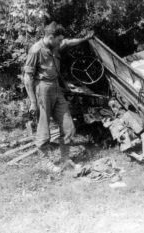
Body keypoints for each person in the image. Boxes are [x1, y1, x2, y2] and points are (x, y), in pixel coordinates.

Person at [24, 21, 93, 172]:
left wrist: (85, 39)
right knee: (43, 128)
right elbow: (27, 78)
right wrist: (33, 102)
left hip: (56, 88)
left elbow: (68, 42)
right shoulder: (35, 50)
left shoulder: (55, 45)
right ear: (50, 37)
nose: (61, 42)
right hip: (42, 89)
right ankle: (45, 163)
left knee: (68, 126)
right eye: (59, 40)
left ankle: (65, 160)